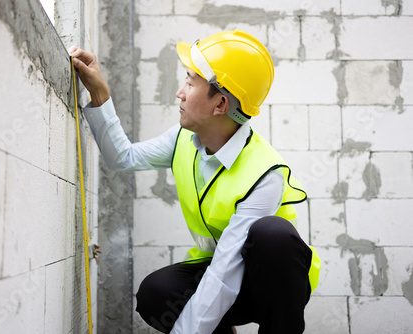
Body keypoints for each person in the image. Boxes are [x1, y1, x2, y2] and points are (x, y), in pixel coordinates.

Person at [69, 29, 320, 334]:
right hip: (223, 271)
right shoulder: (183, 140)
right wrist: (99, 94)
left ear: (220, 105)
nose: (180, 92)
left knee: (272, 234)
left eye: (189, 82)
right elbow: (123, 157)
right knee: (156, 292)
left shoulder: (265, 173)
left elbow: (226, 271)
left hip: (271, 286)